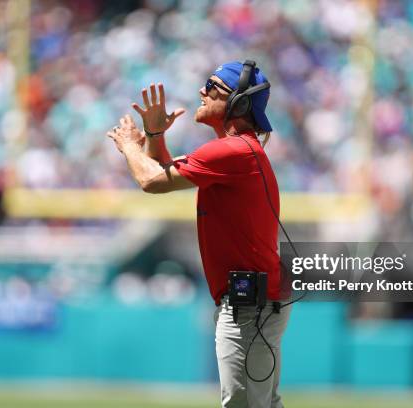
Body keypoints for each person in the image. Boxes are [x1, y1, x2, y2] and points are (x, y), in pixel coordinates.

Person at [107, 60, 291, 408]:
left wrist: (131, 144)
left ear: (238, 104)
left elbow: (151, 180)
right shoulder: (235, 151)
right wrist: (156, 136)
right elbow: (164, 171)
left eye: (212, 87)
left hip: (250, 305)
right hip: (253, 301)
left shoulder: (232, 150)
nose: (201, 93)